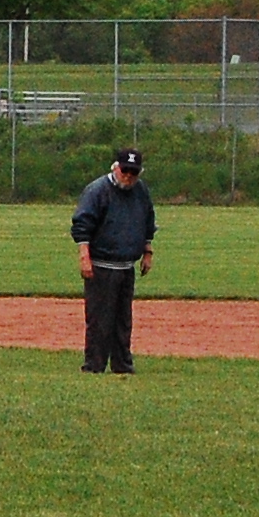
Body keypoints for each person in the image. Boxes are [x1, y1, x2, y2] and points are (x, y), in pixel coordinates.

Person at [70, 147, 156, 375]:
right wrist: (84, 256)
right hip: (101, 265)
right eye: (124, 171)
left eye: (133, 172)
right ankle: (94, 365)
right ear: (115, 168)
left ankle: (122, 365)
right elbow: (82, 225)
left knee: (123, 320)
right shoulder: (97, 191)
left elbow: (148, 219)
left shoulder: (140, 191)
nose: (128, 176)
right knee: (100, 319)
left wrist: (147, 251)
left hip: (126, 266)